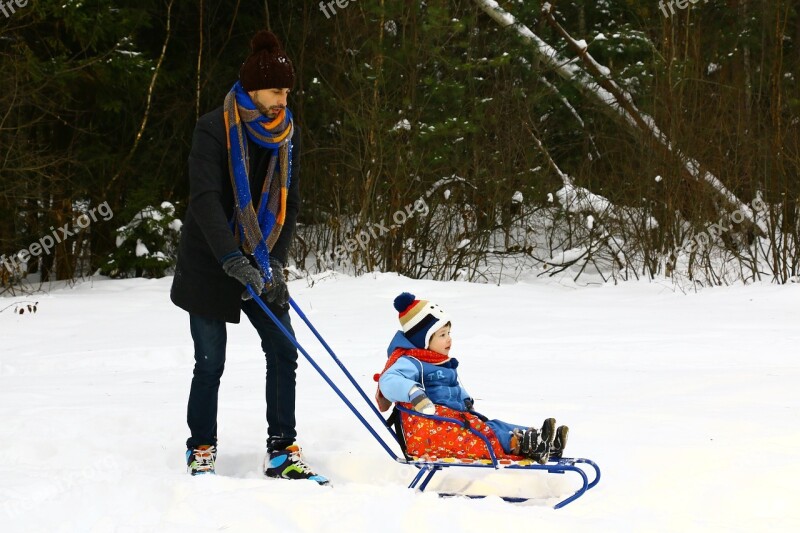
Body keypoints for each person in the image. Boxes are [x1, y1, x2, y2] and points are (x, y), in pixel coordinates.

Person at [170, 30, 326, 484]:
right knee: (210, 361)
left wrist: (272, 260)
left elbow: (289, 203)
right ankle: (201, 447)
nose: (283, 99)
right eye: (277, 90)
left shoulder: (285, 134)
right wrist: (229, 258)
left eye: (287, 91)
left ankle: (282, 450)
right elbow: (204, 200)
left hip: (261, 256)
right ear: (254, 89)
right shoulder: (212, 128)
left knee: (283, 348)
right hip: (209, 259)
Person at [375, 292, 569, 464]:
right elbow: (388, 380)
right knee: (487, 432)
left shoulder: (437, 362)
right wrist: (413, 393)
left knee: (494, 425)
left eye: (449, 333)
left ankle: (542, 440)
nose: (449, 339)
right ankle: (524, 443)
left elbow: (453, 388)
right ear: (423, 342)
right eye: (442, 335)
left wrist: (466, 400)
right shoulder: (411, 362)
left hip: (452, 421)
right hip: (435, 427)